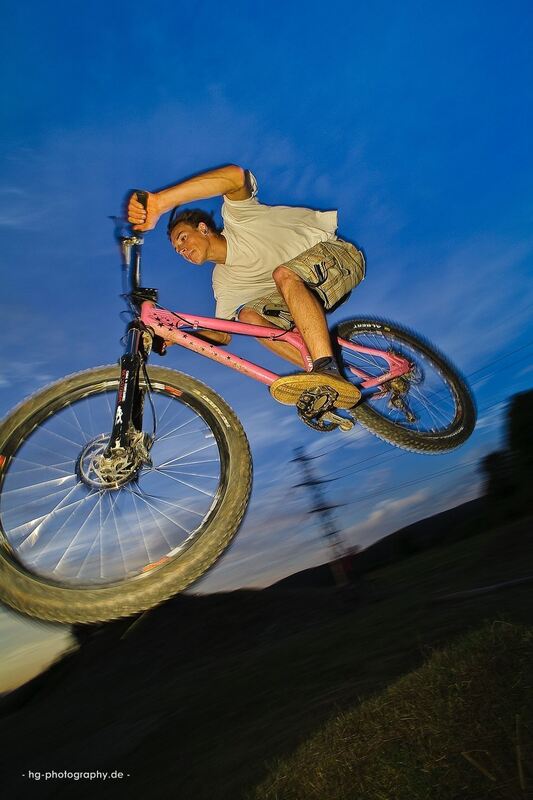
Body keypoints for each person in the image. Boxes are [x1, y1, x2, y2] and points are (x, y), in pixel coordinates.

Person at [127, 164, 365, 409]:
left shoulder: (239, 218)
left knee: (283, 274)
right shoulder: (223, 280)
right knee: (247, 316)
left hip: (338, 258)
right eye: (178, 250)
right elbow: (222, 334)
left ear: (203, 228)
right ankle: (325, 382)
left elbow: (235, 177)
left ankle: (326, 366)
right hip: (305, 291)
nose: (183, 250)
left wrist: (160, 202)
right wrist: (175, 337)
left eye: (183, 239)